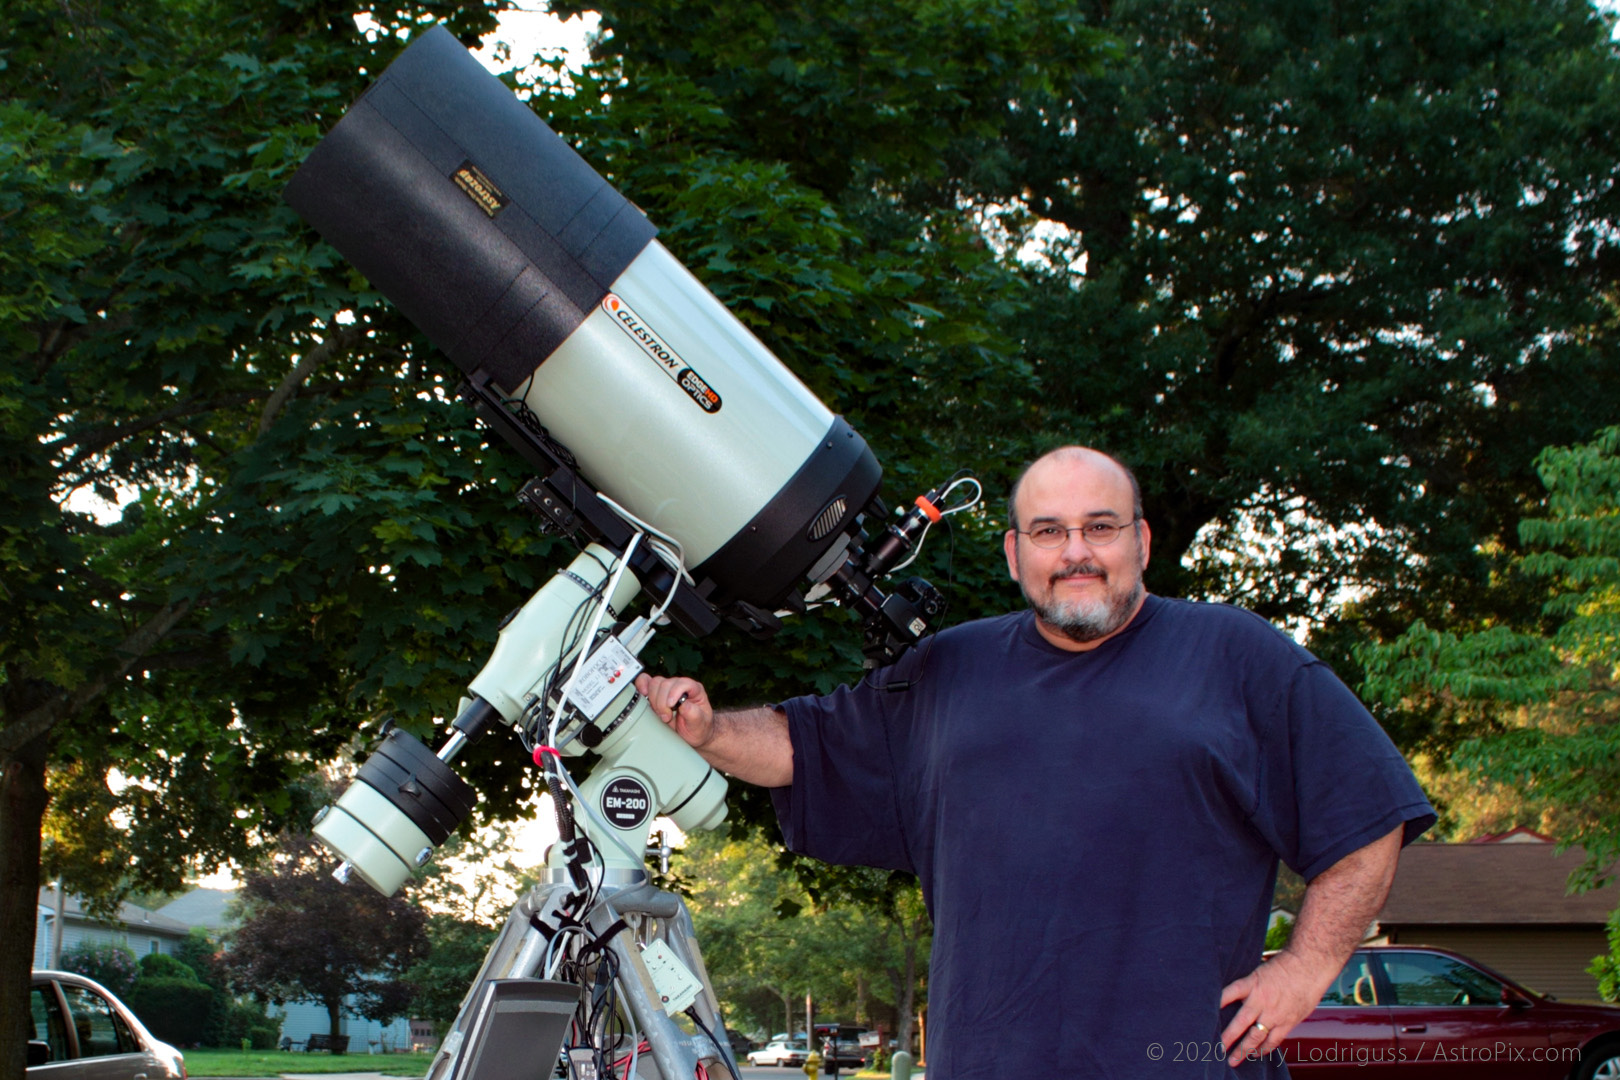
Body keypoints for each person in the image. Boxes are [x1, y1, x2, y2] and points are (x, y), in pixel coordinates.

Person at [635, 446, 1435, 1078]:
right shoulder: (948, 670)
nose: (1076, 552)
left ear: (1142, 541)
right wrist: (707, 732)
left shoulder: (1234, 655)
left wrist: (1305, 971)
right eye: (1049, 532)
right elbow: (805, 748)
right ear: (1015, 554)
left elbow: (1368, 814)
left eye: (1101, 526)